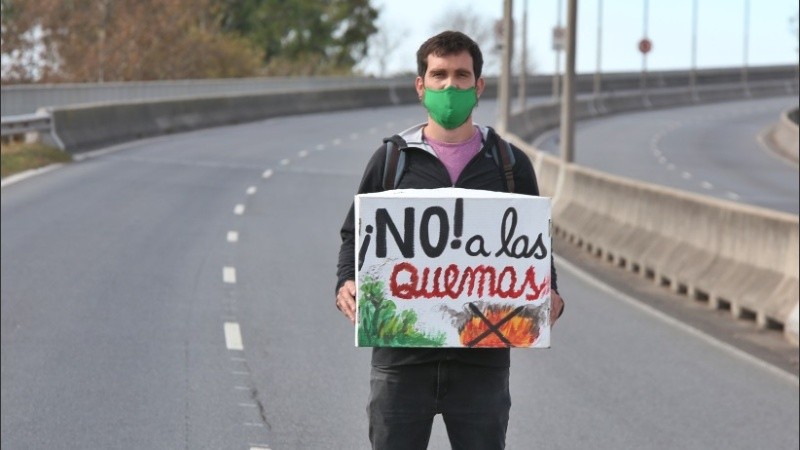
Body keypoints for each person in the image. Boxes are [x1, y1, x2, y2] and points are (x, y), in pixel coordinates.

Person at [335, 30, 564, 450]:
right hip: (401, 362)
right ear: (421, 86)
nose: (450, 87)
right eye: (439, 75)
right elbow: (356, 233)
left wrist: (549, 292)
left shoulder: (510, 165)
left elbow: (535, 244)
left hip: (481, 366)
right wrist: (346, 282)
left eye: (461, 76)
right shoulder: (392, 160)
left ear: (479, 86)